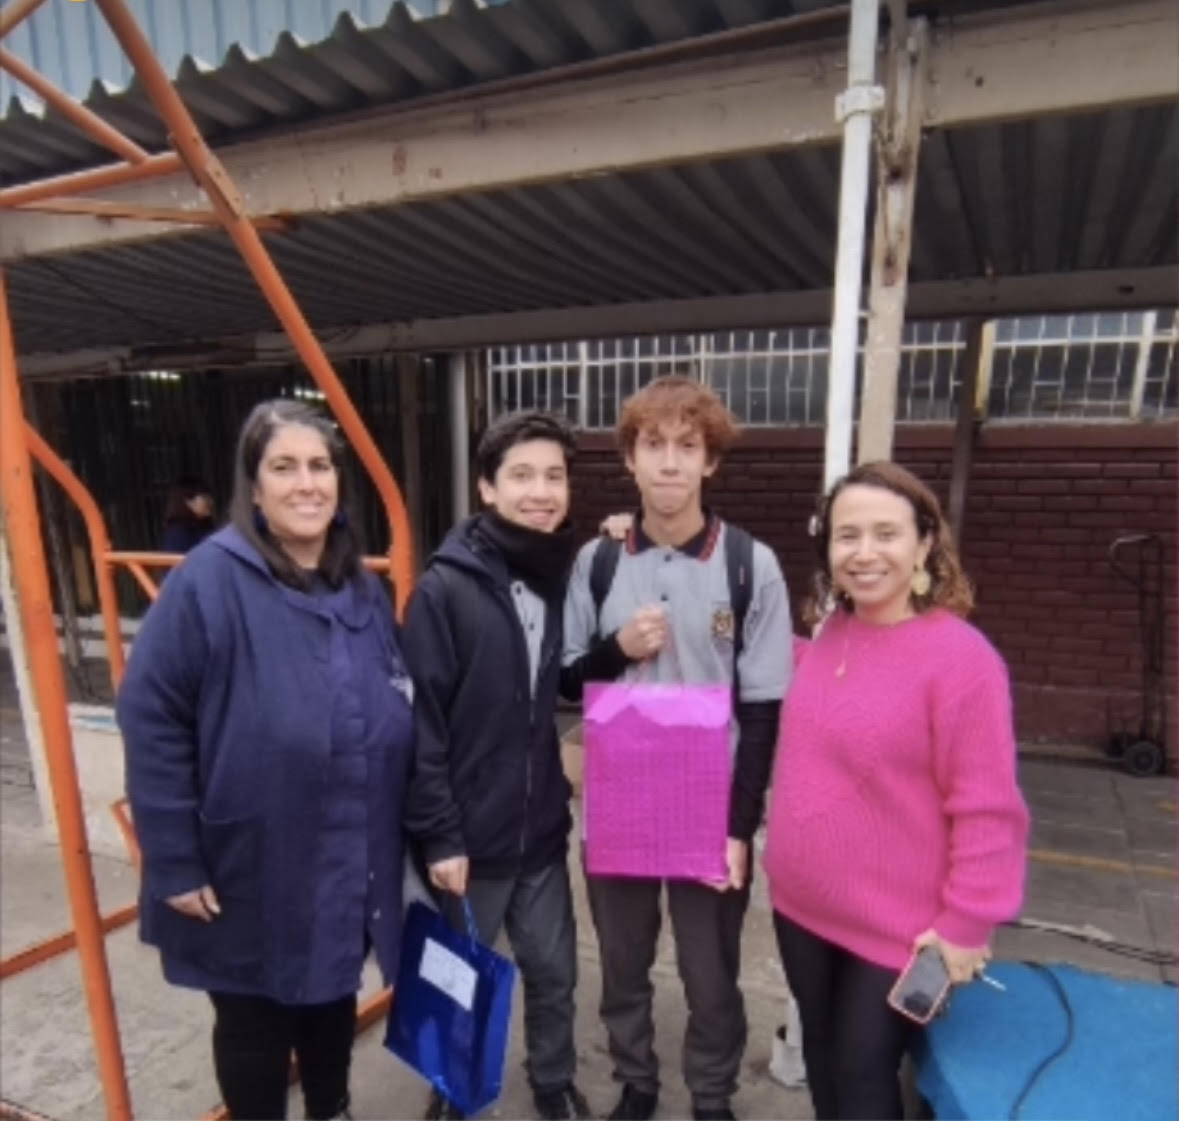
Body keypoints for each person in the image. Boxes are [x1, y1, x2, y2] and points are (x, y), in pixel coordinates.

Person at [116, 400, 415, 1120]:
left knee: (332, 992)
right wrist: (175, 858)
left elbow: (392, 688)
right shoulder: (206, 581)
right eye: (283, 467)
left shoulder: (360, 586)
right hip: (248, 848)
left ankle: (331, 1108)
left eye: (319, 466)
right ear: (252, 487)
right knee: (254, 1011)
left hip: (346, 842)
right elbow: (150, 714)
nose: (305, 483)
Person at [763, 460, 1030, 1121]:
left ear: (923, 543)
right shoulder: (832, 634)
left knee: (862, 1081)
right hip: (800, 905)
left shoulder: (962, 661)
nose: (863, 552)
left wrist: (966, 924)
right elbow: (834, 701)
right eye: (846, 534)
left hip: (898, 929)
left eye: (885, 532)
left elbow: (988, 810)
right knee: (822, 1062)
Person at [562, 375, 792, 1121]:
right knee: (623, 965)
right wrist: (614, 649)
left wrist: (737, 827)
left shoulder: (749, 565)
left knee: (710, 972)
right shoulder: (595, 564)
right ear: (629, 458)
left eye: (685, 447)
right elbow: (565, 679)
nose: (668, 463)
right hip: (617, 798)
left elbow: (761, 709)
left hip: (707, 802)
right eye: (651, 445)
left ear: (709, 462)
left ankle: (712, 1094)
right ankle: (636, 1080)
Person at [400, 411, 590, 1121]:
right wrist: (440, 834)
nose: (540, 491)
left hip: (538, 831)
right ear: (486, 486)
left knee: (553, 973)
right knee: (459, 982)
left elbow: (557, 684)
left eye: (553, 476)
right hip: (468, 841)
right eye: (520, 475)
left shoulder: (555, 572)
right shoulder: (445, 589)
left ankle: (552, 1081)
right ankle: (450, 1090)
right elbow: (418, 726)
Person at [160, 476, 216, 553]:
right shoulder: (177, 533)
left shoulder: (205, 526)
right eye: (205, 497)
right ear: (188, 501)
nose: (211, 502)